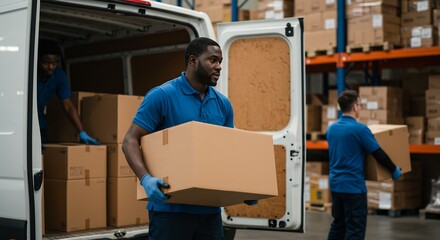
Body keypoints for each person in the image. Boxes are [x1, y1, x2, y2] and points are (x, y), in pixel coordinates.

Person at [122, 37, 257, 240]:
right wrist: (145, 179)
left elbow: (227, 152)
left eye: (220, 61)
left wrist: (243, 189)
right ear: (193, 61)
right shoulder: (162, 96)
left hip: (209, 212)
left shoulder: (223, 104)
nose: (219, 67)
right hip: (169, 211)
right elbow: (130, 140)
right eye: (212, 60)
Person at [326, 90, 402, 240]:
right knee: (355, 229)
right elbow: (377, 153)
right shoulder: (360, 129)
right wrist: (393, 169)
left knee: (338, 225)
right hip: (353, 187)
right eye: (360, 105)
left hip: (335, 185)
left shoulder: (331, 129)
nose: (360, 108)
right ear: (355, 107)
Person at [37, 39, 99, 145]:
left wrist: (82, 132)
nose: (51, 67)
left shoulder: (59, 76)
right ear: (38, 60)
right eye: (46, 63)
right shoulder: (28, 73)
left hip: (40, 125)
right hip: (23, 124)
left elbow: (68, 105)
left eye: (54, 63)